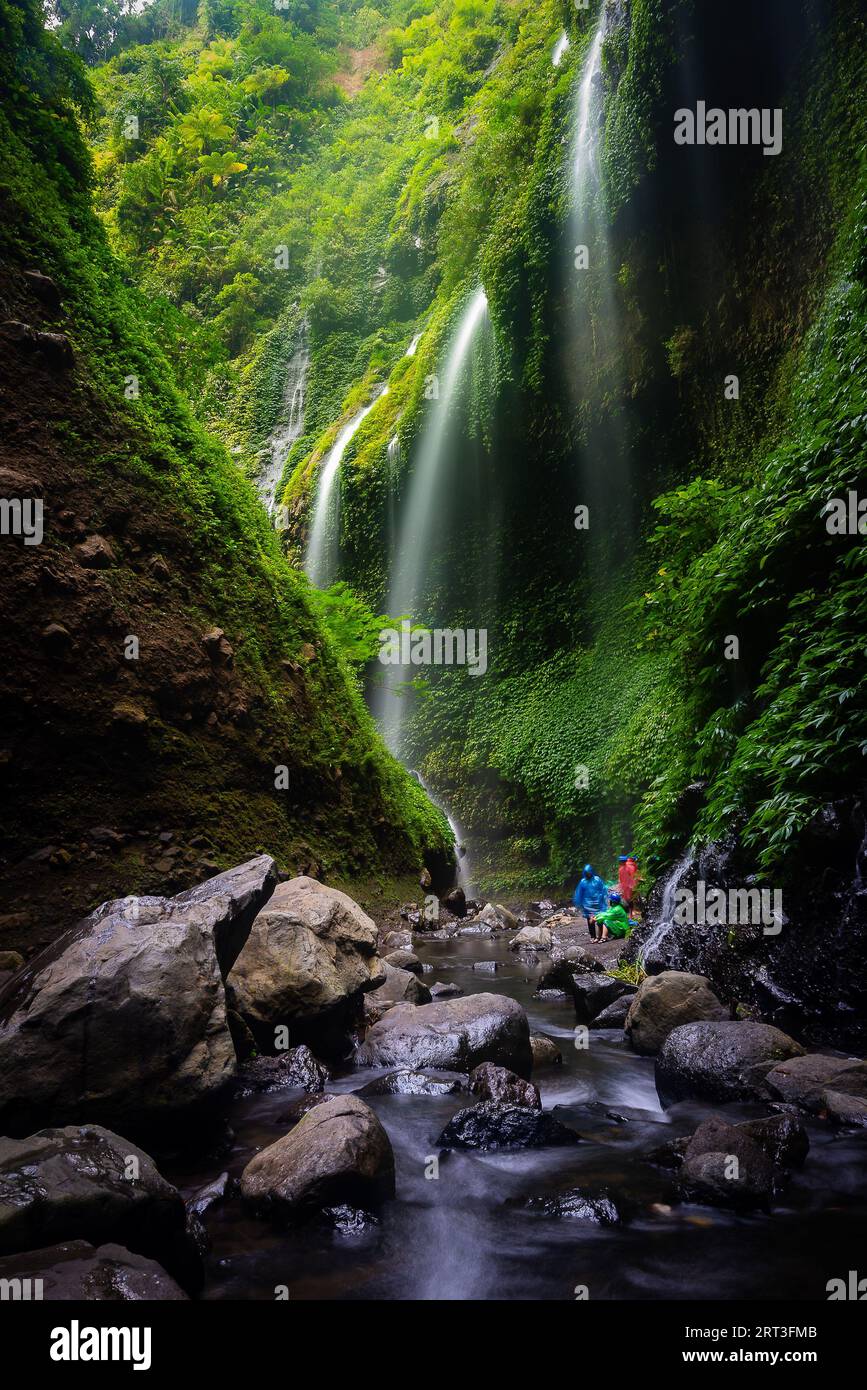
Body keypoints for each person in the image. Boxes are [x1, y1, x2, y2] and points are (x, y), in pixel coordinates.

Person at [573, 864, 609, 937]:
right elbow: (579, 893)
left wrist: (603, 899)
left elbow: (603, 889)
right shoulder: (583, 882)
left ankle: (601, 935)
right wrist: (578, 902)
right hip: (588, 905)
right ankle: (593, 936)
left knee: (600, 920)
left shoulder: (597, 879)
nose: (588, 874)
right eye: (586, 873)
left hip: (597, 904)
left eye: (588, 873)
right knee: (590, 922)